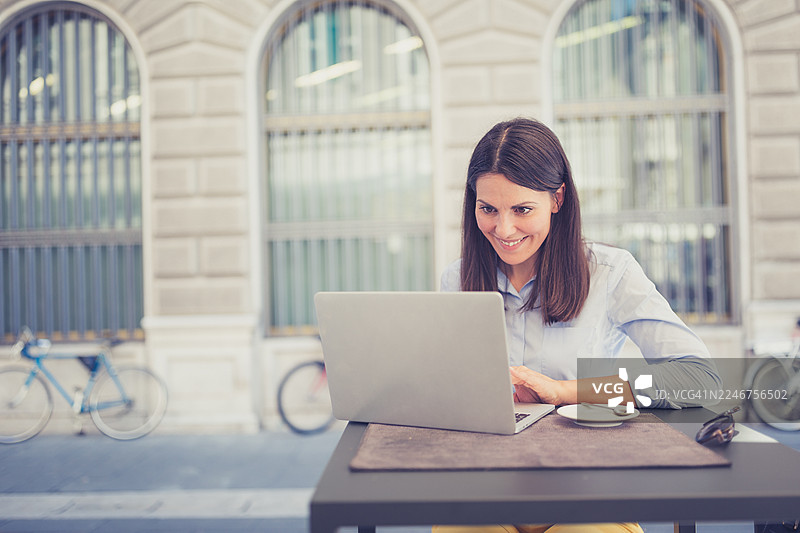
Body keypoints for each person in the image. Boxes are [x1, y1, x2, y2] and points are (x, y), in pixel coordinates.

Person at [434, 118, 721, 533]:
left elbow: (700, 378)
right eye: (488, 209)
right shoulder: (456, 279)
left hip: (588, 494)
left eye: (522, 209)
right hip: (486, 492)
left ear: (557, 198)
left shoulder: (611, 272)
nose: (503, 229)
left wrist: (571, 391)